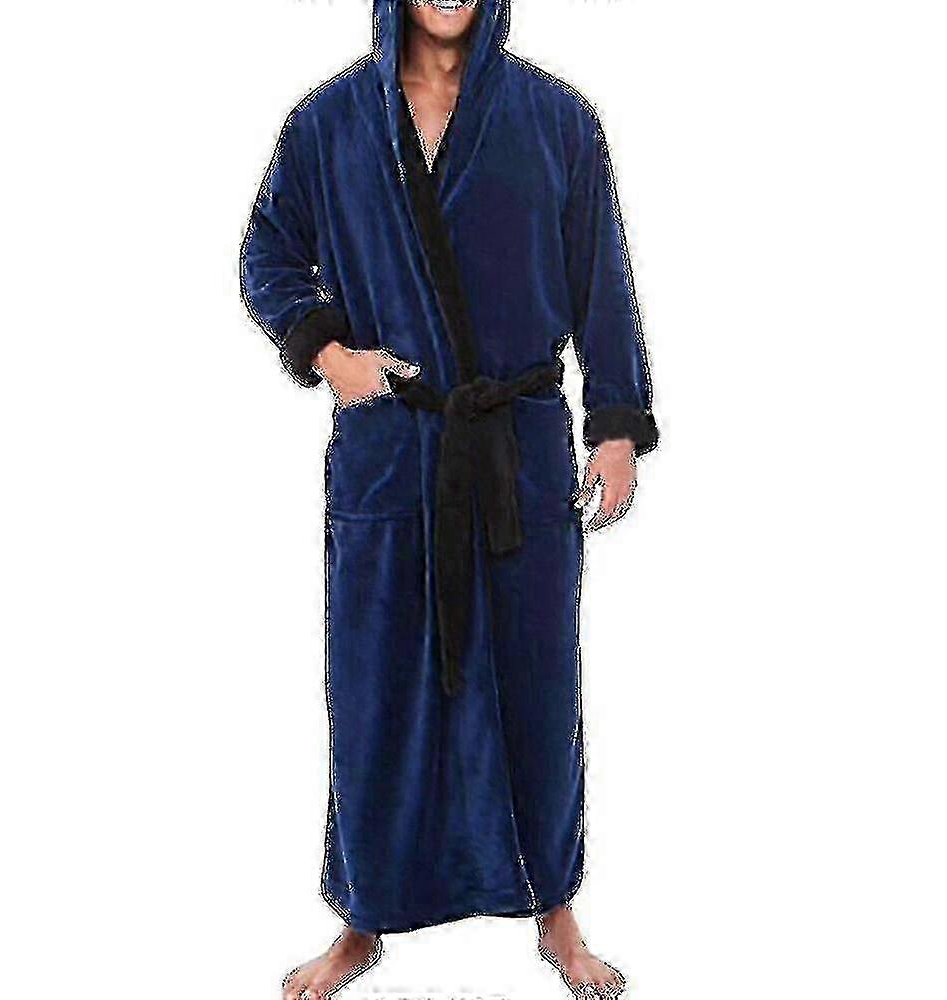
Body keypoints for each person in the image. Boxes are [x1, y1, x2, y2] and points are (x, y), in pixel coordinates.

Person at [240, 1, 658, 996]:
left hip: (516, 447)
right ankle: (363, 914)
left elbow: (601, 277)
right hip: (391, 445)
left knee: (536, 684)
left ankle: (553, 907)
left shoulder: (557, 119)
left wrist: (613, 424)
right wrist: (330, 354)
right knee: (376, 689)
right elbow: (265, 256)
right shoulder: (330, 121)